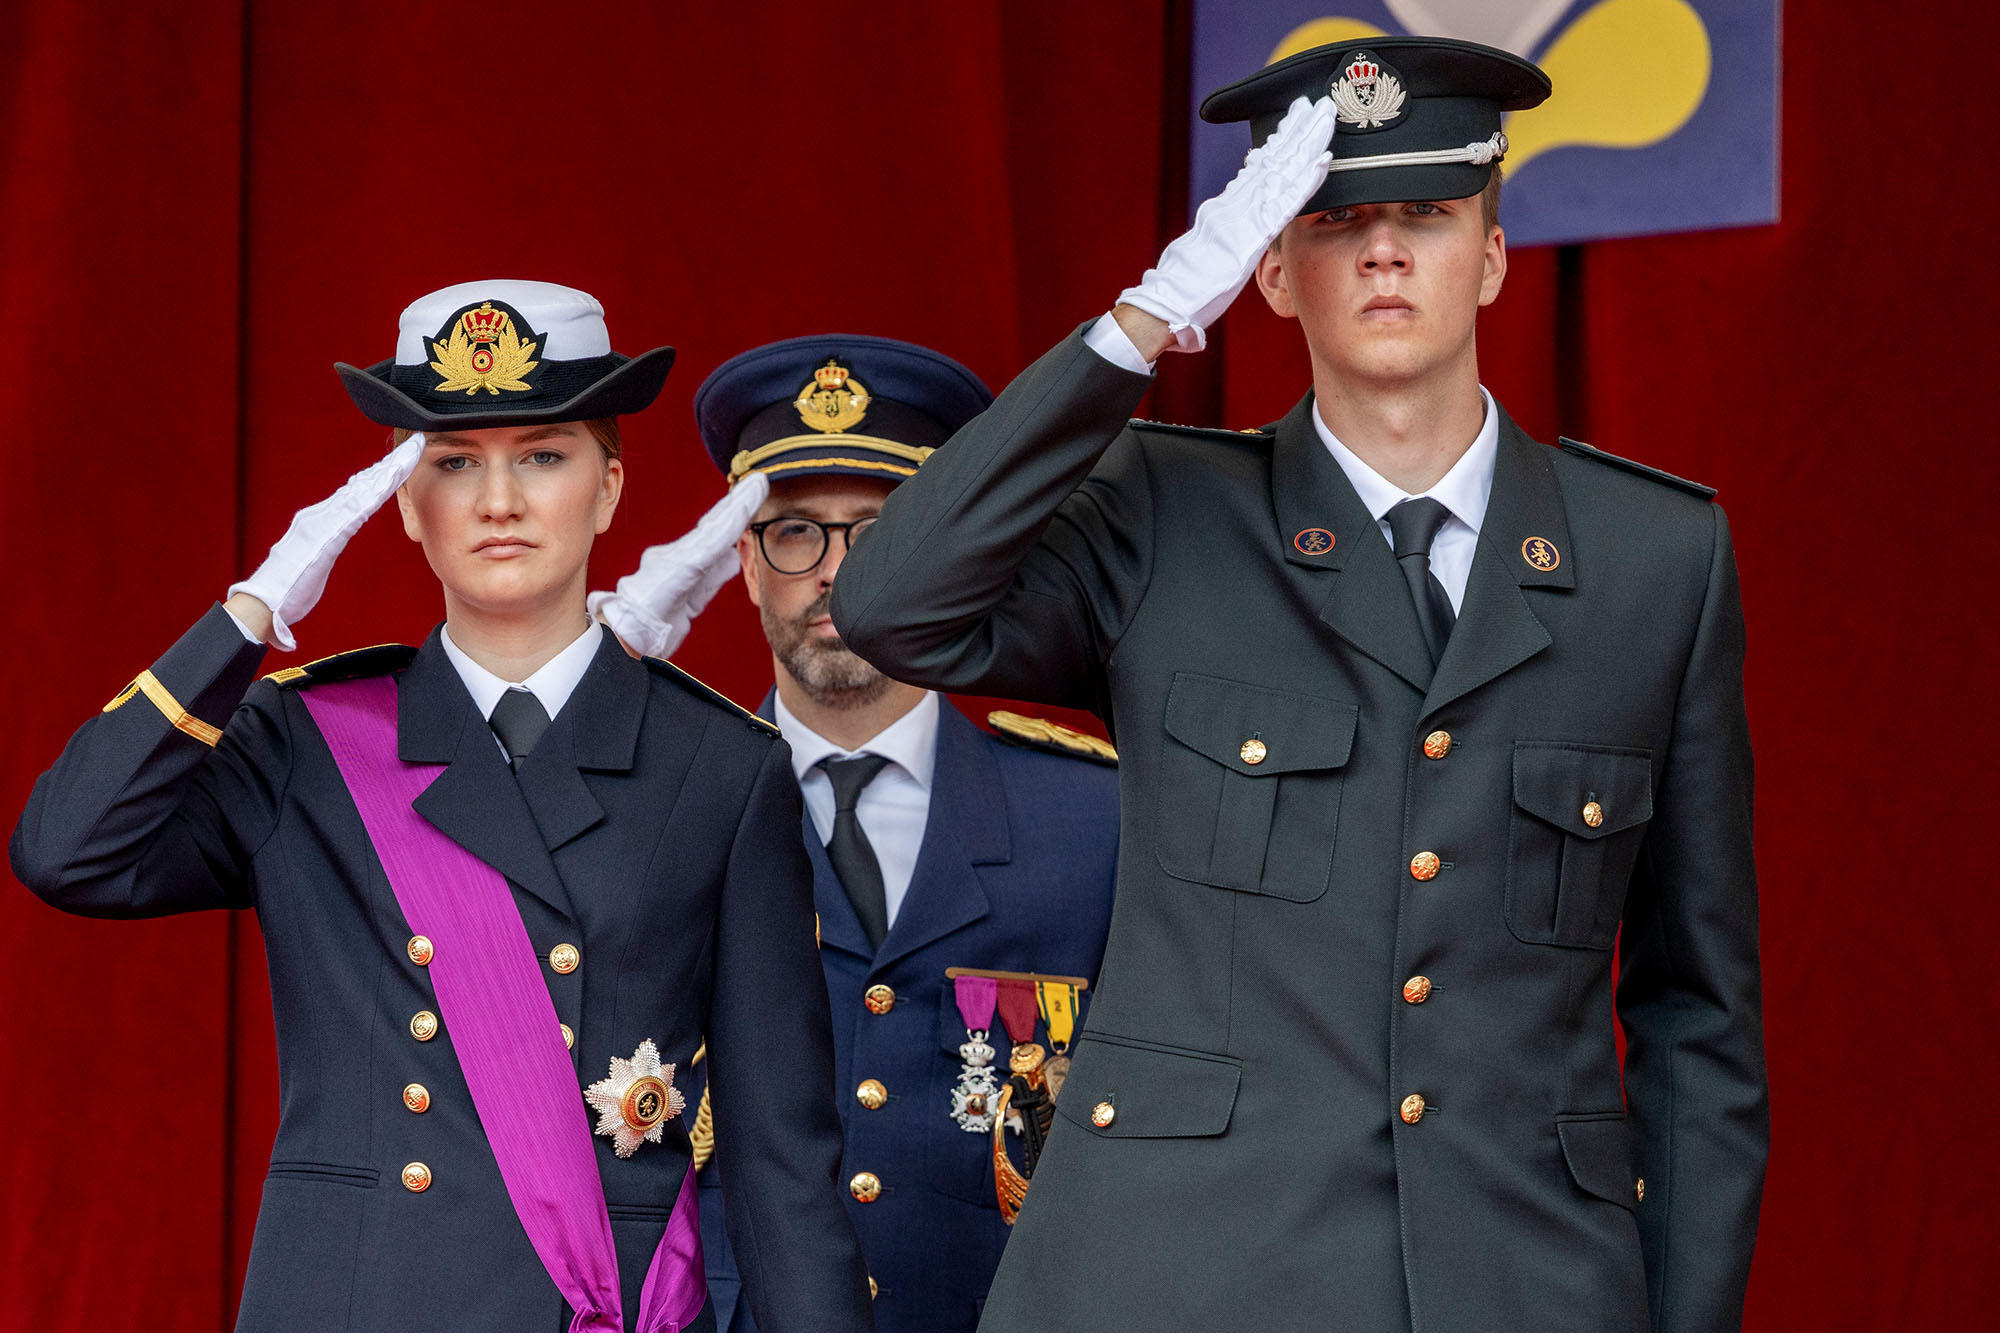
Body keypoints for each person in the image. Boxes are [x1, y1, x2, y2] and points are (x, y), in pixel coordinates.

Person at [828, 37, 1767, 1333]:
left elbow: (1697, 1014)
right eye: (1338, 220)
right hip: (1180, 1278)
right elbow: (889, 607)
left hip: (1520, 1284)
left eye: (1427, 216)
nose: (1385, 252)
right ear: (1270, 267)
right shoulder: (1161, 512)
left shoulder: (1652, 561)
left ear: (1491, 252)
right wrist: (1139, 322)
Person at [10, 281, 873, 1332]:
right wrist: (248, 615)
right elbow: (68, 852)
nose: (497, 500)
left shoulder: (722, 770)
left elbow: (782, 1162)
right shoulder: (304, 740)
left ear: (607, 489)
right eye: (453, 462)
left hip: (599, 1306)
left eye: (542, 456)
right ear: (404, 506)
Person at [589, 333, 1121, 1331]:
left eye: (881, 534)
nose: (834, 573)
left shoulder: (1092, 823)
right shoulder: (649, 815)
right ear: (745, 566)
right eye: (794, 533)